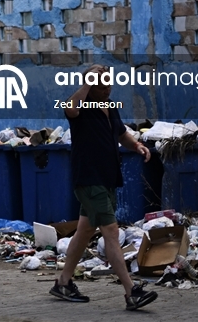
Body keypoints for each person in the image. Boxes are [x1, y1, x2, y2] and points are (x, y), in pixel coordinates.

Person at [50, 63, 158, 311]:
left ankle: (63, 283)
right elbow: (70, 109)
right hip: (89, 179)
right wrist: (87, 82)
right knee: (110, 230)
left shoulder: (110, 107)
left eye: (108, 82)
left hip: (108, 178)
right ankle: (132, 292)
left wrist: (137, 146)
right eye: (101, 83)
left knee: (85, 231)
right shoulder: (81, 105)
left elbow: (120, 134)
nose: (107, 87)